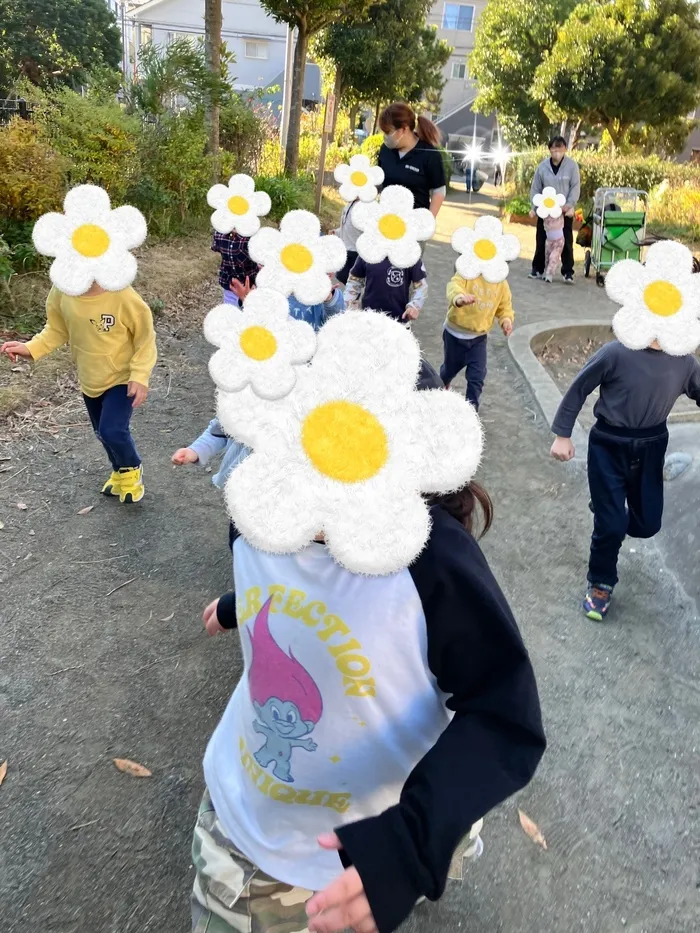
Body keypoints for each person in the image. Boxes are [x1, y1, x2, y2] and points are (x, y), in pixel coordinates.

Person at [192, 358, 546, 933]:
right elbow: (279, 589)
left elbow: (504, 712)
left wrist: (411, 844)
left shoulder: (434, 567)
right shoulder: (259, 512)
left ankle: (450, 835)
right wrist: (237, 606)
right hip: (245, 799)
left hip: (344, 842)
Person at [172, 277, 346, 549]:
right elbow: (220, 429)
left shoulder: (308, 394)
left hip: (284, 488)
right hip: (244, 487)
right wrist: (196, 450)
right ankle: (248, 579)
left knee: (278, 540)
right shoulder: (242, 393)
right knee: (240, 543)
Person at [550, 340, 700, 621]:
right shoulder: (615, 353)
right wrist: (563, 434)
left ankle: (609, 510)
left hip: (652, 447)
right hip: (609, 444)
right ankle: (601, 582)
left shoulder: (684, 362)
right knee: (612, 524)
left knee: (648, 525)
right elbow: (579, 388)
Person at [1, 282, 156, 504]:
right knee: (101, 432)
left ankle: (131, 468)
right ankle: (119, 471)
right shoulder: (62, 291)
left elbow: (145, 338)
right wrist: (30, 348)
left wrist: (140, 375)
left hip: (122, 378)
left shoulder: (122, 295)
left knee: (112, 430)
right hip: (90, 379)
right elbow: (56, 329)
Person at [442, 268, 514, 411]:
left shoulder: (501, 283)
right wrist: (459, 298)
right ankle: (443, 384)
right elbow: (453, 286)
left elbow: (504, 306)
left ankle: (471, 408)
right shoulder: (467, 272)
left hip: (478, 338)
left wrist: (506, 320)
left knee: (477, 376)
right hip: (455, 334)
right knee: (449, 369)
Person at [377, 103, 446, 217]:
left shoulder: (429, 154)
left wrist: (428, 220)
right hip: (386, 220)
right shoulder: (385, 150)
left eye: (388, 132)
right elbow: (378, 181)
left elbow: (438, 191)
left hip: (415, 224)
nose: (385, 136)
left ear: (404, 129)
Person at [529, 136, 580, 283]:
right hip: (545, 212)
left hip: (564, 212)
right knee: (541, 239)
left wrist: (569, 205)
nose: (557, 153)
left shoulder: (572, 166)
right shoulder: (543, 167)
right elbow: (536, 189)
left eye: (560, 149)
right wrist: (535, 208)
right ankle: (538, 268)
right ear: (550, 150)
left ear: (565, 150)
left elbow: (575, 187)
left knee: (566, 241)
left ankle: (568, 272)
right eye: (554, 150)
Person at [343, 255, 427, 324]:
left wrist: (414, 306)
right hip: (368, 318)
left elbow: (421, 286)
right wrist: (348, 304)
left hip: (399, 321)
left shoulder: (410, 255)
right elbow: (354, 281)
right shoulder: (367, 253)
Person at [213, 230, 259, 306]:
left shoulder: (252, 238)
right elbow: (219, 250)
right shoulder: (219, 234)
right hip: (230, 288)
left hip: (251, 287)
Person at [334, 199, 361, 286]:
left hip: (357, 252)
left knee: (353, 283)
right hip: (345, 248)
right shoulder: (350, 203)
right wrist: (337, 232)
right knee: (341, 277)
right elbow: (346, 224)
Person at [543, 214, 565, 284]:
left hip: (559, 241)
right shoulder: (545, 213)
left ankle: (549, 274)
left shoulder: (558, 211)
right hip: (549, 240)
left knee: (553, 257)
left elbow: (568, 208)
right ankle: (546, 271)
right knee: (547, 257)